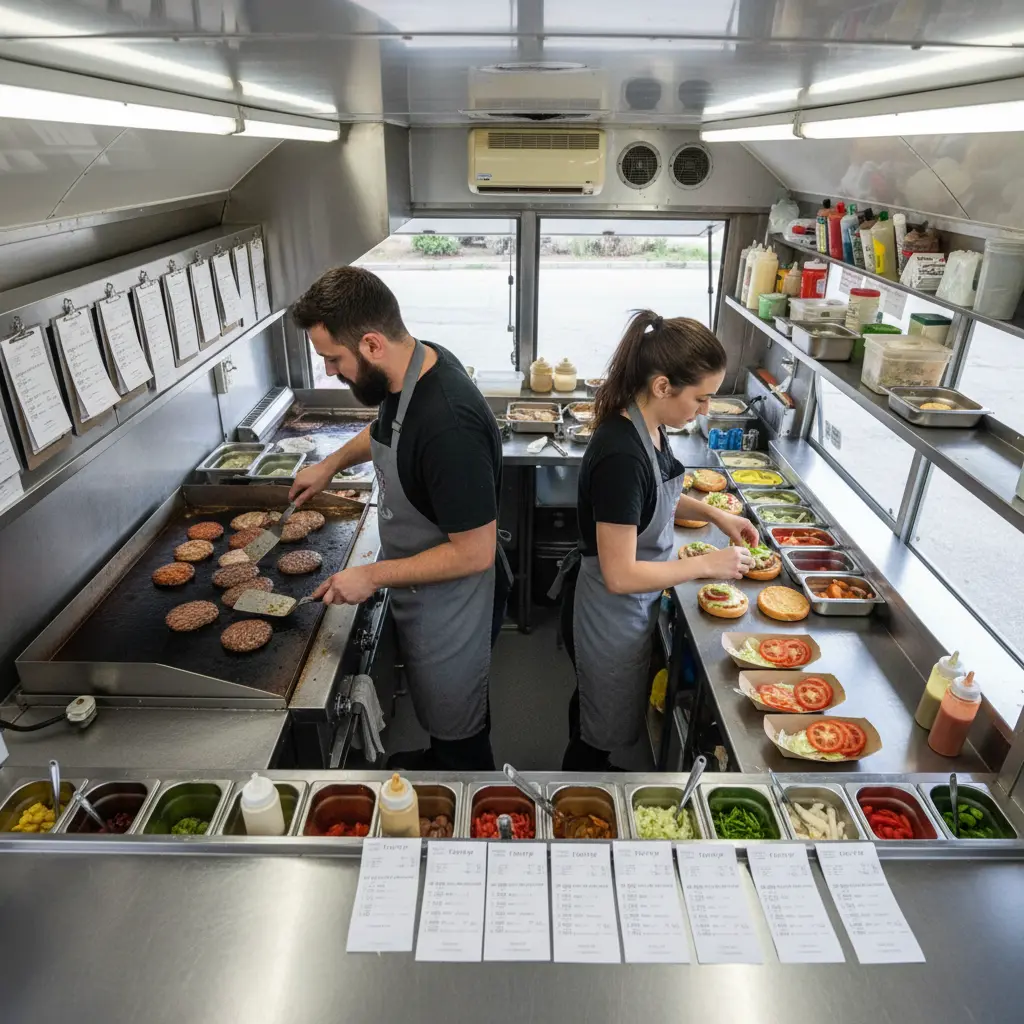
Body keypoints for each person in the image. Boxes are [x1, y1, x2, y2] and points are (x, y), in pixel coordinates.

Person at [289, 266, 510, 771]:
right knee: (440, 705)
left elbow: (473, 553)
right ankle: (441, 754)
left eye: (332, 359)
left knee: (461, 716)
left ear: (370, 344)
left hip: (455, 599)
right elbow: (387, 429)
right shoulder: (409, 364)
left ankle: (463, 786)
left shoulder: (448, 424)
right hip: (423, 588)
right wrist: (330, 465)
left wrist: (370, 575)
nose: (328, 373)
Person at [560, 309, 759, 771]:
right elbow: (620, 572)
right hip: (610, 609)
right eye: (702, 398)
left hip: (632, 605)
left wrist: (714, 514)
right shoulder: (621, 455)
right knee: (597, 721)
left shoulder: (648, 426)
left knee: (599, 706)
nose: (705, 409)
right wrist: (708, 565)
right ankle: (582, 788)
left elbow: (654, 499)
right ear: (663, 386)